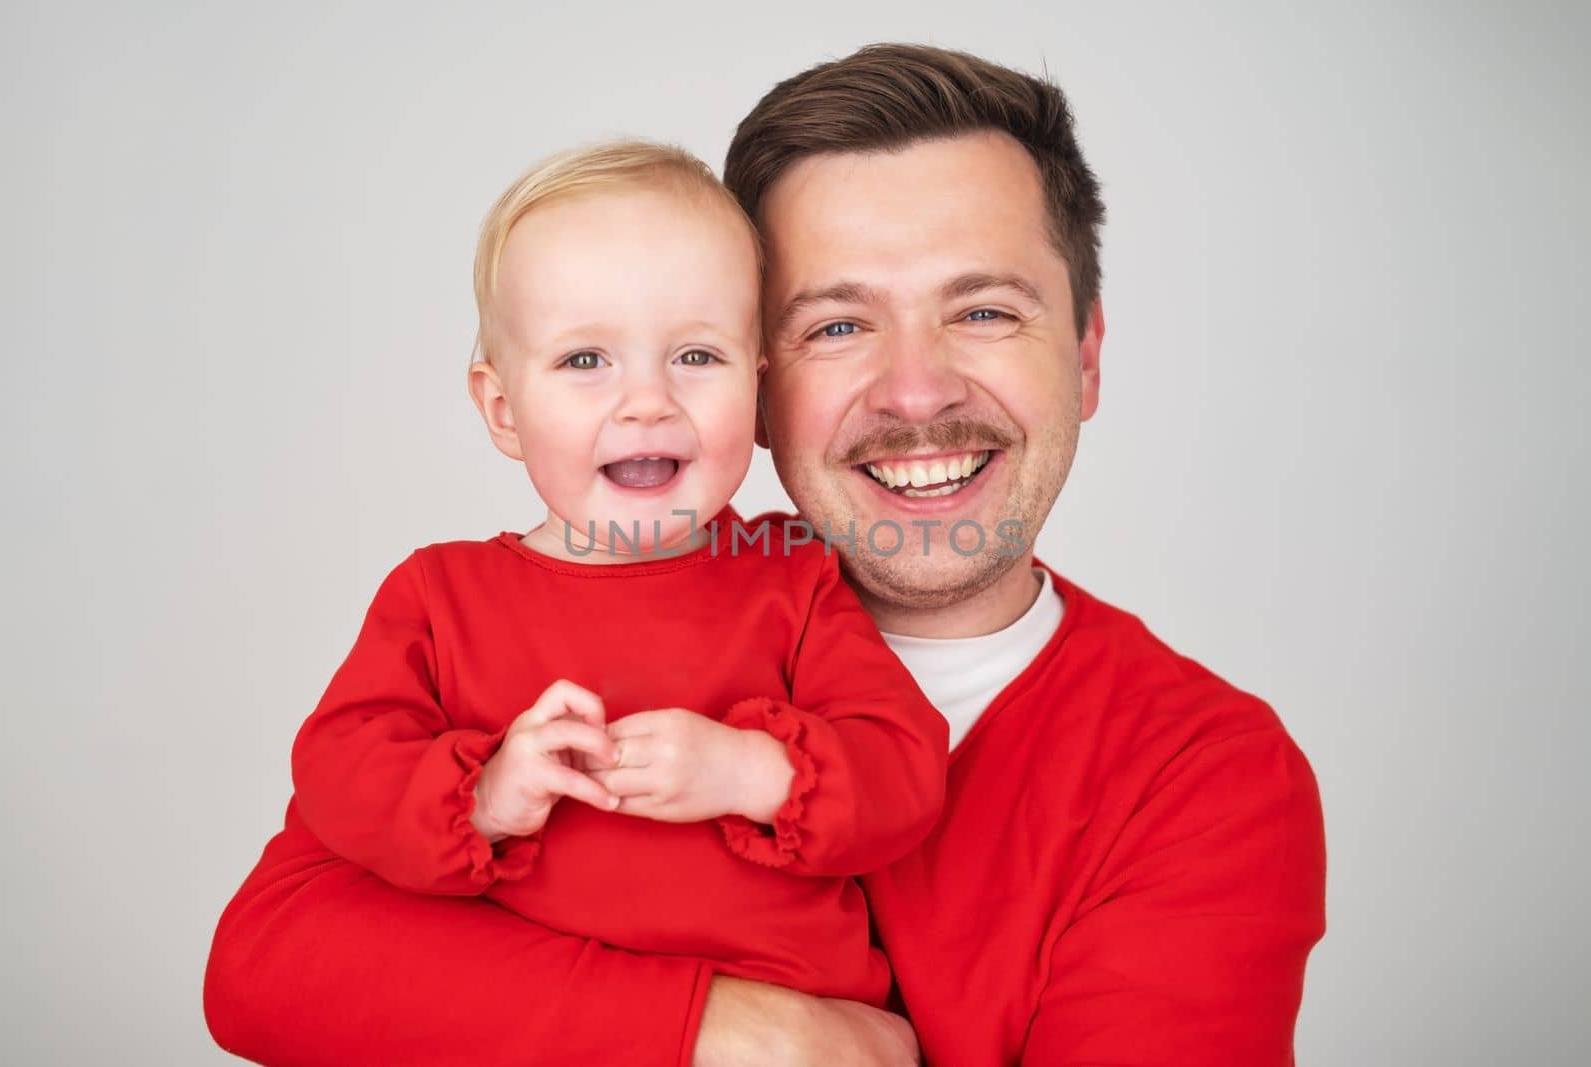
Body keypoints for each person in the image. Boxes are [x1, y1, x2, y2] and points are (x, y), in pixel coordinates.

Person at [205, 43, 1326, 1067]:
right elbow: (268, 961)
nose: (917, 388)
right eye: (835, 324)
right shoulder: (495, 615)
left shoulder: (1203, 772)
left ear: (1083, 356)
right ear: (766, 384)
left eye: (983, 310)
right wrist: (726, 1028)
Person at [283, 138, 947, 1010]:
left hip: (799, 1013)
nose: (647, 402)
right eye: (585, 361)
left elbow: (903, 769)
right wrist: (484, 794)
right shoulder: (441, 596)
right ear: (503, 408)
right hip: (552, 1025)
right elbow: (338, 768)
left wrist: (751, 771)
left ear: (758, 388)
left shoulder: (791, 574)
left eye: (696, 357)